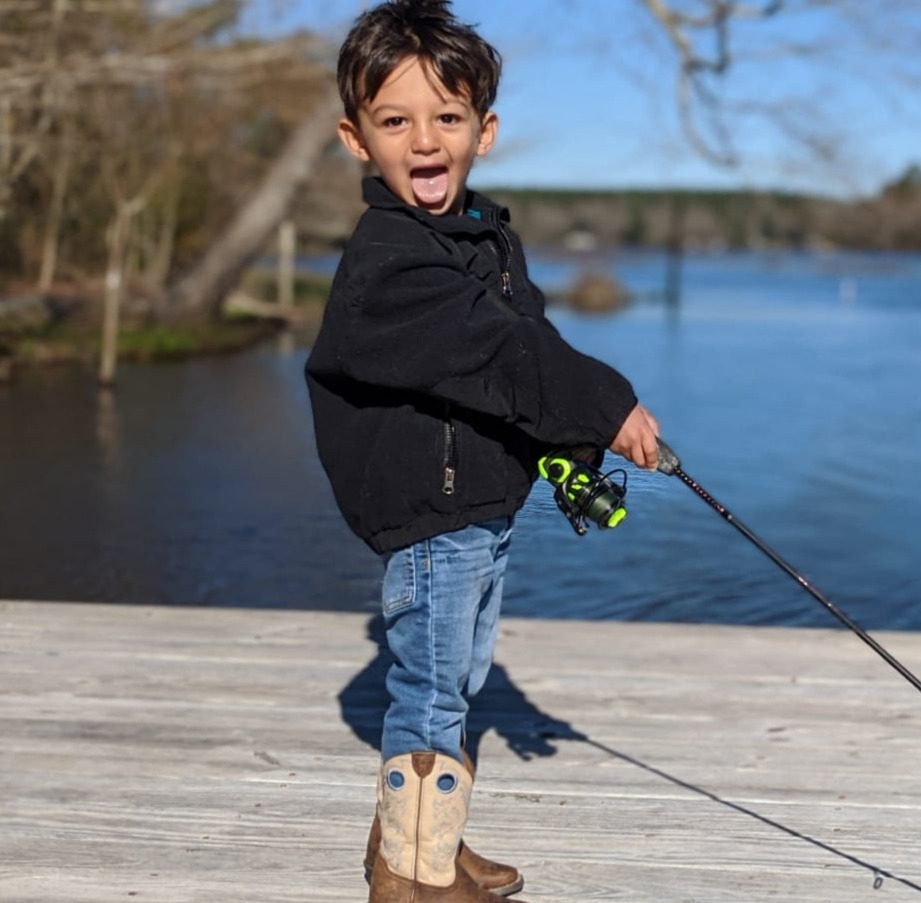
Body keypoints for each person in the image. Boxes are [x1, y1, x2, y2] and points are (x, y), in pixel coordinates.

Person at [304, 2, 660, 900]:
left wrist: (575, 444)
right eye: (395, 120)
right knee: (429, 693)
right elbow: (497, 352)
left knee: (460, 681)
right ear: (356, 138)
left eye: (447, 117)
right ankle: (405, 876)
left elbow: (523, 339)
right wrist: (608, 402)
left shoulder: (482, 239)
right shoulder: (392, 261)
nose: (424, 140)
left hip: (484, 508)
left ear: (484, 131)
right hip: (430, 515)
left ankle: (433, 844)